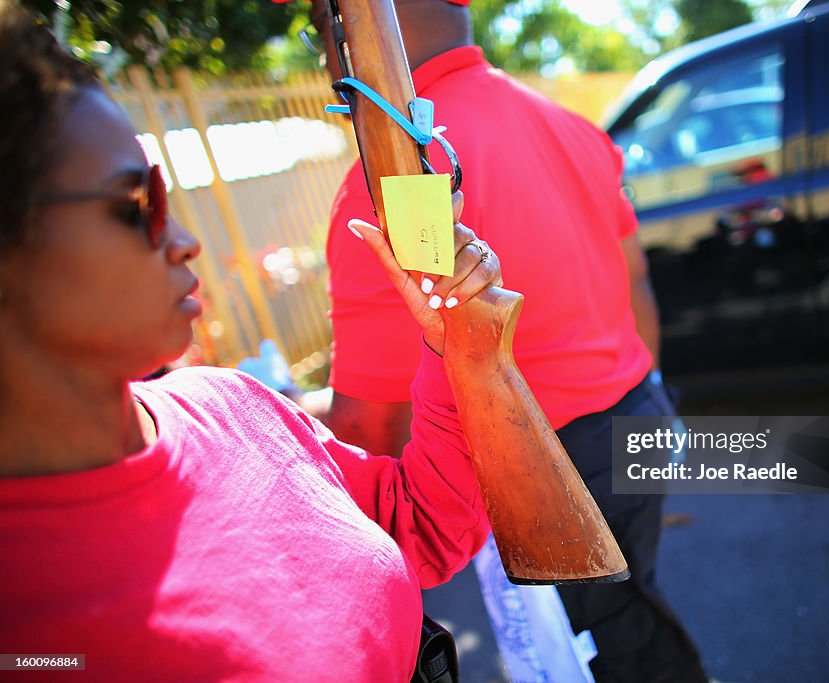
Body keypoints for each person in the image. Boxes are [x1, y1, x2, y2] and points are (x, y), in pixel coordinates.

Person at [0, 2, 504, 679]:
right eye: (135, 204)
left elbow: (421, 526)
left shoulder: (231, 401)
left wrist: (453, 349)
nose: (185, 242)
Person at [303, 0, 709, 680]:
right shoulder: (567, 123)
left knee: (609, 652)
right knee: (632, 615)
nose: (321, 47)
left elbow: (367, 422)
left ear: (365, 23)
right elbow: (636, 281)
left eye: (322, 19)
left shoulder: (389, 186)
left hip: (550, 470)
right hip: (636, 414)